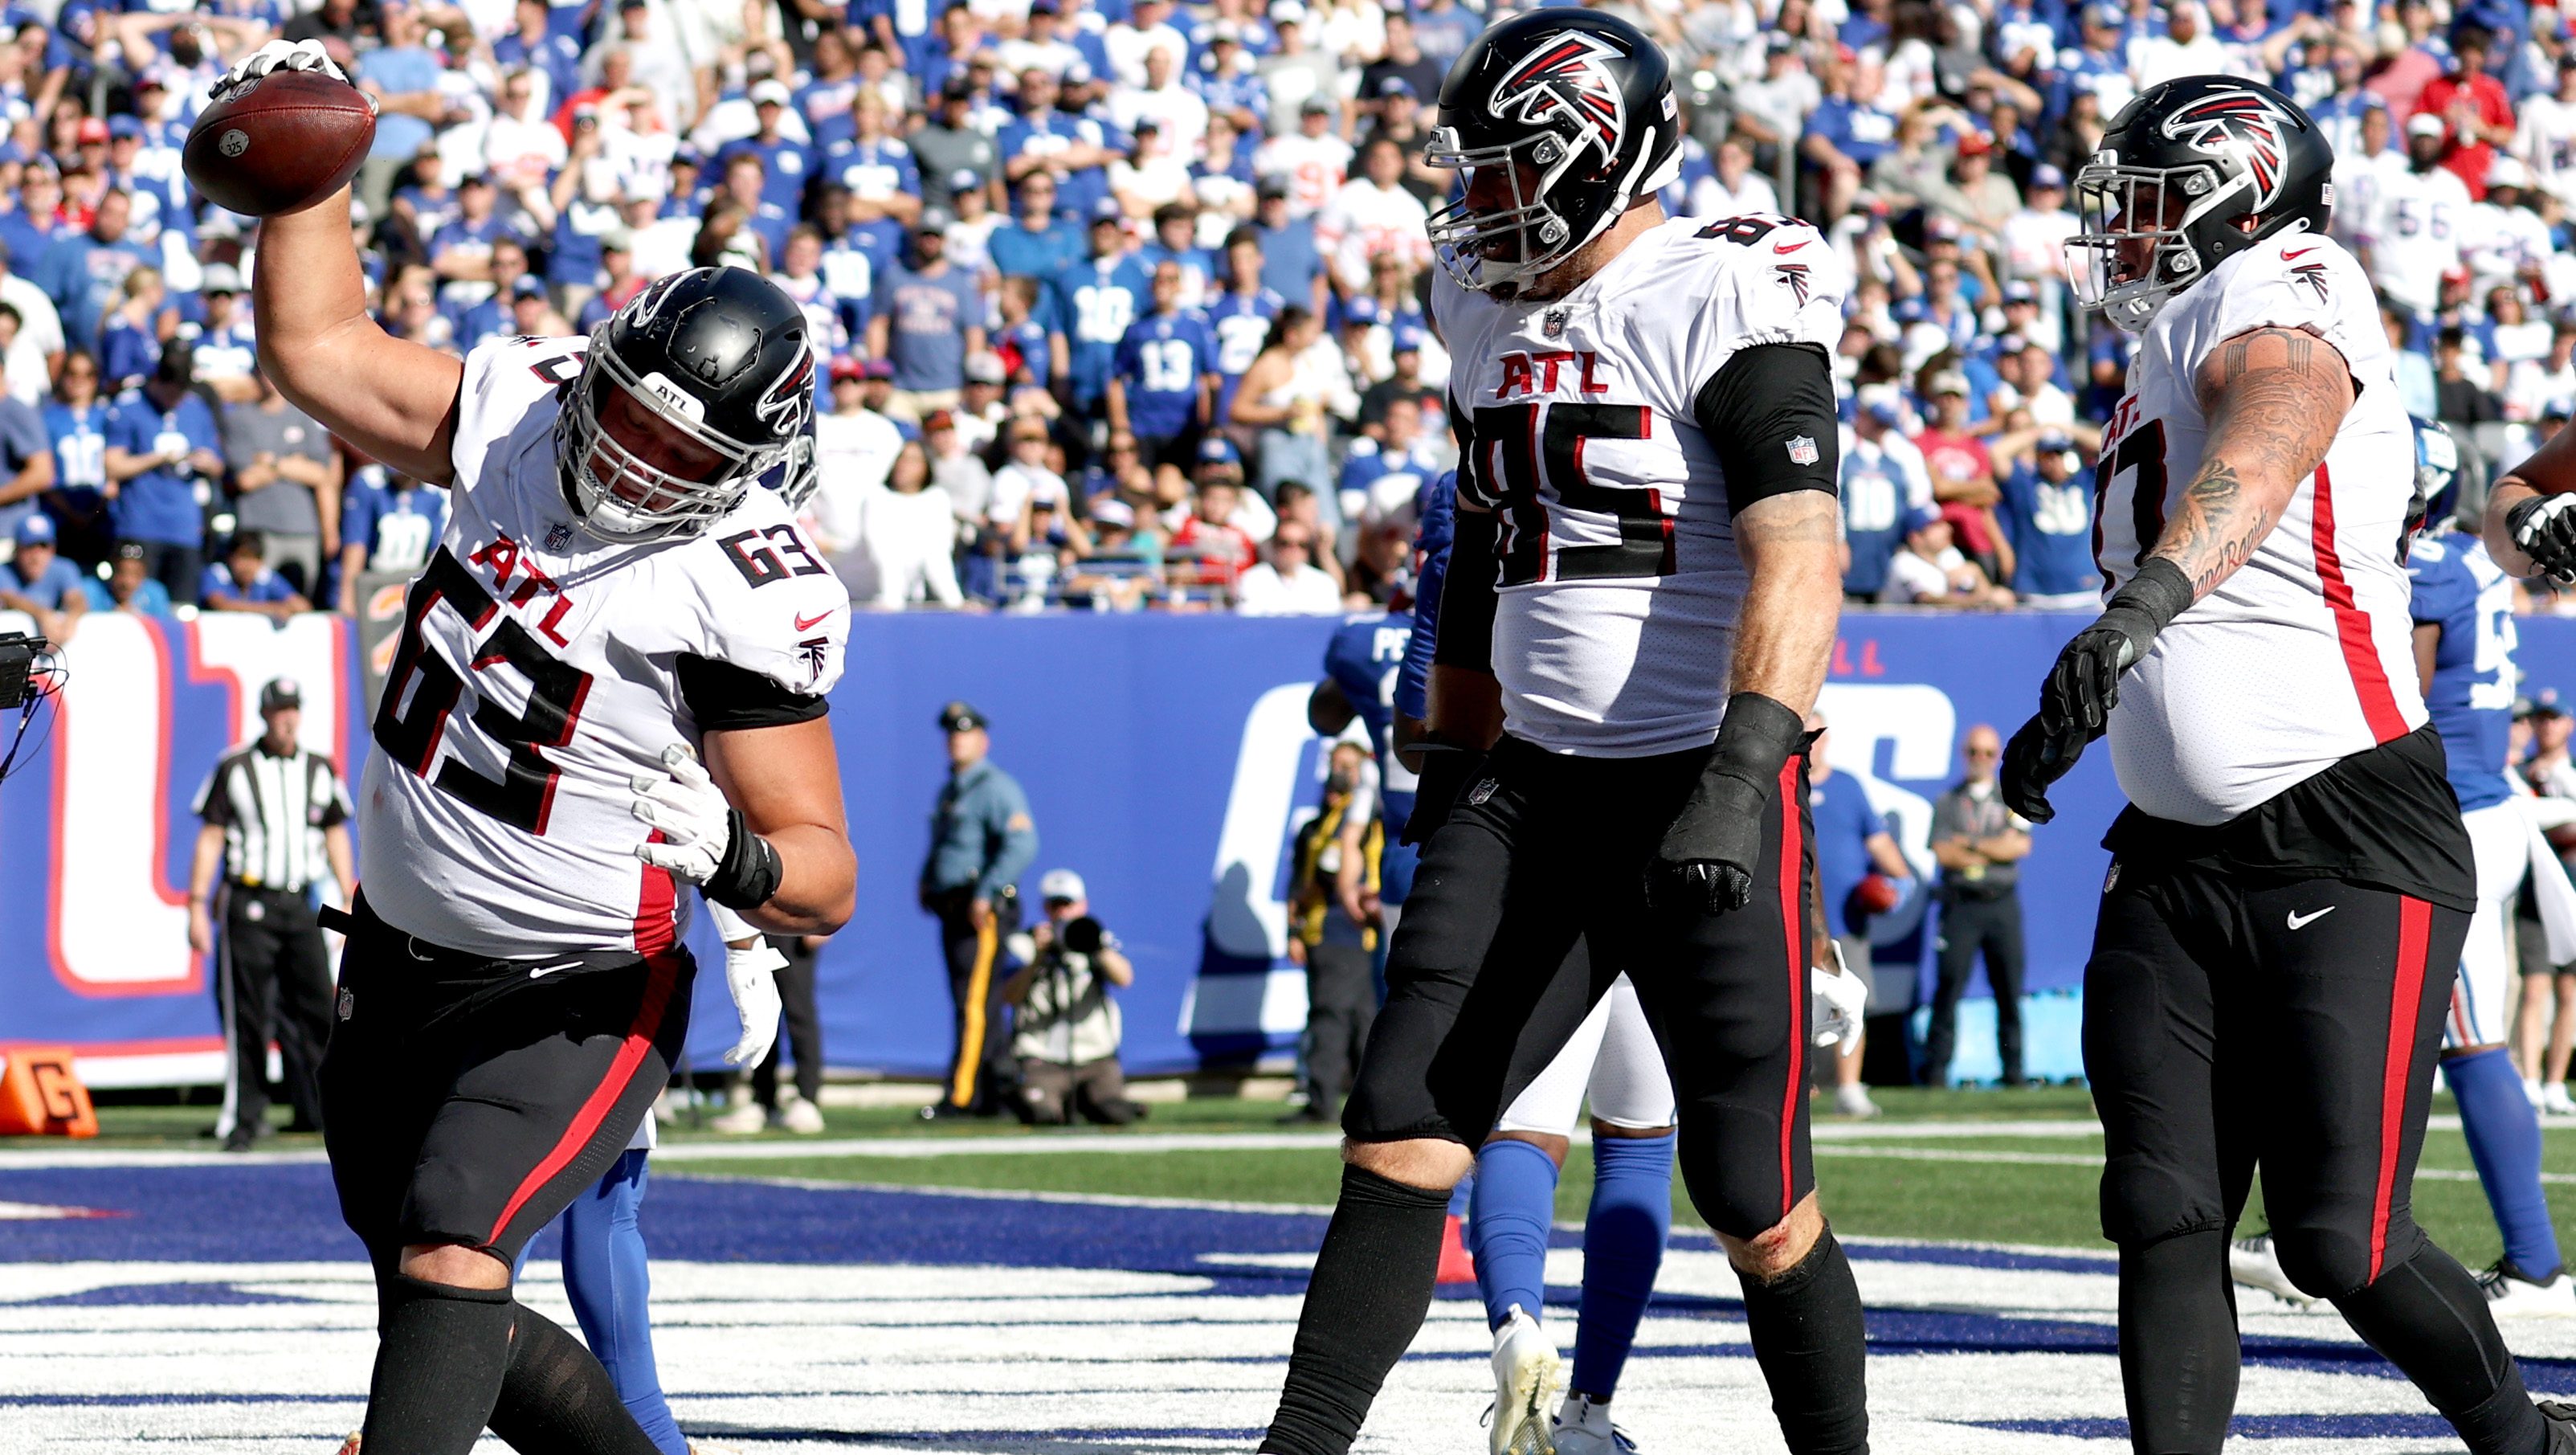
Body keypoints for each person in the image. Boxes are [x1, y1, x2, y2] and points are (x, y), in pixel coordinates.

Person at [226, 41, 855, 1455]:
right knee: (437, 1295)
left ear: (745, 473)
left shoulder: (741, 591)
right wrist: (311, 170)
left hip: (572, 988)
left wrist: (732, 853)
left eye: (673, 452)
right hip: (392, 957)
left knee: (457, 1253)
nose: (627, 456)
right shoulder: (518, 412)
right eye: (622, 410)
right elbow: (318, 351)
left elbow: (823, 879)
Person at [1257, 15, 1867, 1455]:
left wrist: (1742, 769)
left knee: (1751, 1191)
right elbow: (1480, 540)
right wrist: (1456, 743)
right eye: (1466, 172)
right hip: (1531, 787)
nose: (1475, 202)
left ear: (1600, 156)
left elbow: (1800, 549)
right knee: (1402, 1122)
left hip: (1694, 789)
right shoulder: (1480, 306)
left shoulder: (1722, 286)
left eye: (1505, 168)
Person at [2008, 76, 2576, 1452]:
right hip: (2168, 849)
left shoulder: (2287, 281)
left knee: (2339, 1236)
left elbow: (2276, 425)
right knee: (2158, 1207)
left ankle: (2524, 1438)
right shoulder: (2166, 340)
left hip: (2344, 822)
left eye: (2148, 205)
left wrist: (2142, 604)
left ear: (2233, 195)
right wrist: (2092, 681)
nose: (2123, 236)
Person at [2239, 417, 2576, 1318]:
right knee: (2407, 1028)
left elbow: (2395, 690)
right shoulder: (2465, 556)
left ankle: (2535, 1261)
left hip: (2445, 817)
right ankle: (2324, 1228)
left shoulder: (2422, 569)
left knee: (2462, 1040)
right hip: (2472, 807)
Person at [186, 676, 356, 1152]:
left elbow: (335, 833)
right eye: (279, 710)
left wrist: (347, 898)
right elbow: (211, 837)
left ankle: (325, 1110)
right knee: (249, 1014)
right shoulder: (236, 766)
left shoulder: (319, 768)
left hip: (303, 902)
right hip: (249, 902)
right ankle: (245, 1118)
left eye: (293, 709)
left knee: (322, 1010)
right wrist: (197, 905)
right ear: (264, 715)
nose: (287, 719)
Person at [919, 700, 1039, 1120]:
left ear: (982, 739)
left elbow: (1022, 843)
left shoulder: (995, 787)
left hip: (980, 910)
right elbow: (947, 846)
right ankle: (997, 1091)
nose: (956, 740)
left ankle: (964, 1093)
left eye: (964, 732)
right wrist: (928, 880)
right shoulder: (954, 788)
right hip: (953, 908)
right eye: (952, 733)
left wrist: (987, 891)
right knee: (972, 1001)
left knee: (974, 1003)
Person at [1806, 709, 1913, 1119]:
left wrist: (1897, 887)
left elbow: (1883, 847)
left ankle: (1850, 1087)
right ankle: (1802, 1086)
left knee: (1851, 1002)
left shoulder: (1848, 787)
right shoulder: (1779, 783)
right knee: (1789, 1007)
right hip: (1790, 920)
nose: (1810, 743)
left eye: (1815, 735)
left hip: (1843, 923)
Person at [1922, 724, 2031, 1088]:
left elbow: (2017, 847)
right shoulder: (1949, 801)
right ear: (1963, 754)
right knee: (1949, 985)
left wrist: (1969, 843)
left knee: (2009, 989)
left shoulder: (2011, 797)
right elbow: (1942, 852)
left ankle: (2014, 1072)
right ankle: (1936, 1071)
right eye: (1973, 752)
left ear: (1997, 755)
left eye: (1987, 753)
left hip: (2000, 903)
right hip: (1961, 905)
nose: (1980, 759)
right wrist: (1991, 846)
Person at [1285, 741, 1382, 1124]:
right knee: (1356, 1017)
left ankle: (1322, 1100)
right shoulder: (1324, 817)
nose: (1337, 772)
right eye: (1334, 763)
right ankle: (1361, 1103)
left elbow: (1329, 869)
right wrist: (1293, 928)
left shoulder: (1360, 818)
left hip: (1346, 927)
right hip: (1326, 929)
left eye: (1347, 765)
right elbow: (1300, 879)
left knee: (1336, 1016)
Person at [1001, 868, 1144, 1126]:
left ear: (1083, 905)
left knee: (1115, 1114)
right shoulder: (1024, 944)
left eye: (1069, 905)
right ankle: (1047, 1100)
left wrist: (1095, 946)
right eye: (1056, 905)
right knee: (1042, 1116)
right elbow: (1009, 996)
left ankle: (1097, 1100)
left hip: (1095, 1056)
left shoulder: (1097, 940)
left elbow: (1124, 978)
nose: (1063, 913)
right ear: (1045, 908)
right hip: (1043, 1058)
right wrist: (1037, 959)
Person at [0, 513, 86, 643]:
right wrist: (42, 615)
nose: (36, 556)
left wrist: (72, 618)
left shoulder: (65, 568)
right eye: (29, 547)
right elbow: (8, 598)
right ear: (17, 550)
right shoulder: (4, 571)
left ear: (52, 549)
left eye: (43, 546)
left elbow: (76, 598)